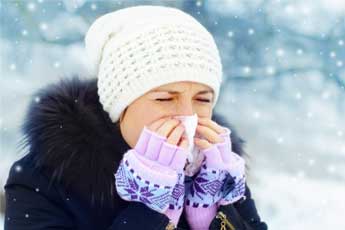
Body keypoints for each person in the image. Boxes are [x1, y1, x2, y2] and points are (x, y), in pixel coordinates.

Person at [3, 5, 267, 230]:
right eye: (164, 98)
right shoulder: (41, 180)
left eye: (202, 99)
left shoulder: (217, 173)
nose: (188, 115)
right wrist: (150, 208)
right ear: (119, 106)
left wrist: (212, 215)